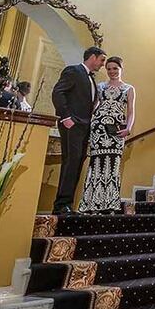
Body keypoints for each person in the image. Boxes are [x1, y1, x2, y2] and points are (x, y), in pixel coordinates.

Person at [51, 46, 106, 215]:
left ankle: (66, 204)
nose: (102, 64)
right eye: (102, 60)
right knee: (71, 162)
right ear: (92, 57)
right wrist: (66, 117)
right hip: (73, 124)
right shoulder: (73, 71)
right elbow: (57, 92)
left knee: (76, 163)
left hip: (84, 126)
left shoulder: (91, 79)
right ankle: (62, 204)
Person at [79, 56, 136, 213]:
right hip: (98, 129)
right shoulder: (100, 86)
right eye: (109, 68)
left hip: (116, 131)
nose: (112, 71)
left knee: (113, 165)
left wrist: (128, 128)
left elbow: (131, 112)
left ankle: (109, 204)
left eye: (115, 68)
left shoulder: (129, 89)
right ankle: (91, 204)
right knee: (96, 163)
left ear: (121, 69)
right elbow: (93, 107)